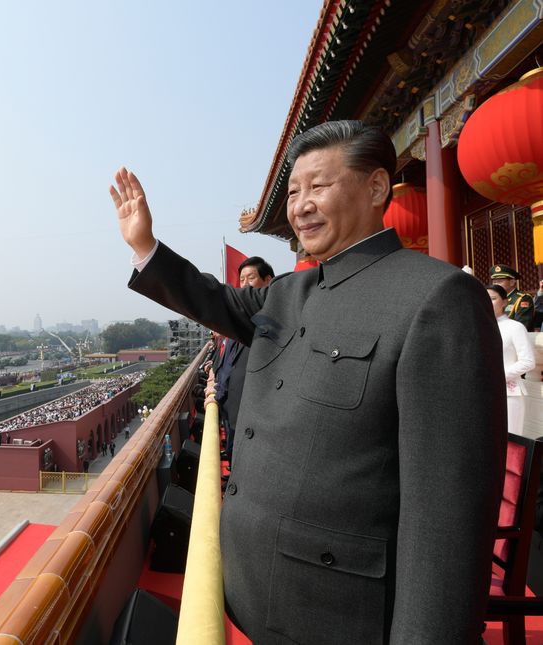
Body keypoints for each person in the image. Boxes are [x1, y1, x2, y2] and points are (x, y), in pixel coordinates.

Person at [109, 120, 506, 644]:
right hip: (252, 590)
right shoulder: (287, 293)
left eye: (318, 186)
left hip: (335, 612)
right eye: (294, 192)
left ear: (376, 188)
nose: (300, 206)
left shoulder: (436, 298)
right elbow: (211, 299)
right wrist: (146, 245)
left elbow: (445, 515)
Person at [213, 257, 274, 466]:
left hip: (255, 417)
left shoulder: (275, 322)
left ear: (268, 280)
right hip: (232, 410)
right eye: (241, 279)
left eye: (251, 278)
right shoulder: (240, 321)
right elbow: (228, 363)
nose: (245, 284)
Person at [488, 284, 536, 435]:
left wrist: (499, 377)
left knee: (510, 439)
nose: (488, 302)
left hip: (509, 393)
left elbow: (528, 361)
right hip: (483, 391)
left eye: (493, 298)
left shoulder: (515, 327)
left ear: (504, 301)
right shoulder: (479, 328)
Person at [490, 265, 534, 331]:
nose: (496, 285)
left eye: (499, 281)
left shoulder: (523, 298)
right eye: (494, 282)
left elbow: (522, 325)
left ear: (512, 282)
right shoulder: (493, 299)